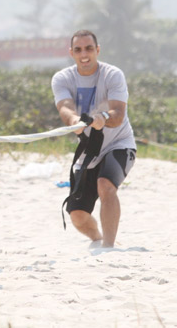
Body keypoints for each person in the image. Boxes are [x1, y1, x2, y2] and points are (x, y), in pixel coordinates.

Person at [52, 30, 136, 248]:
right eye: (78, 49)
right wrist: (74, 121)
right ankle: (98, 238)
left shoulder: (113, 75)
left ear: (97, 50)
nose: (84, 54)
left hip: (119, 143)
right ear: (71, 53)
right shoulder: (62, 78)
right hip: (89, 149)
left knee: (105, 185)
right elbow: (65, 107)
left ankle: (108, 247)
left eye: (89, 48)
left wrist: (103, 118)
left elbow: (118, 114)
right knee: (77, 216)